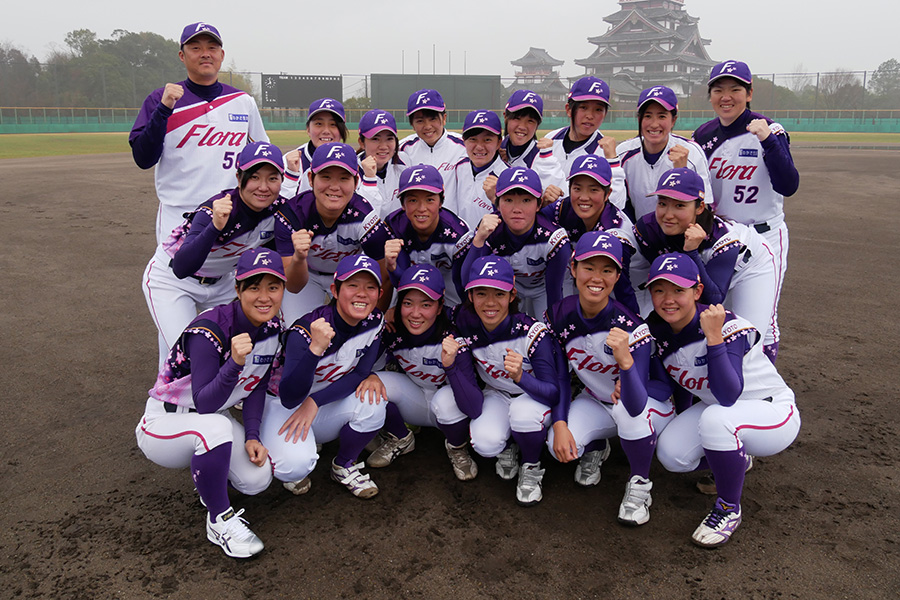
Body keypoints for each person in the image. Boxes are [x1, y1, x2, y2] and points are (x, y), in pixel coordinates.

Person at [135, 248, 313, 558]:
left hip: (207, 423)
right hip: (165, 424)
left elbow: (256, 387)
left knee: (257, 480)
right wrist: (234, 363)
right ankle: (219, 520)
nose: (264, 296)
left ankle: (205, 475)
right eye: (253, 286)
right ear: (237, 289)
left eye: (273, 287)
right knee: (215, 427)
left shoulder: (271, 328)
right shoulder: (210, 329)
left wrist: (254, 435)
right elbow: (204, 403)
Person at [645, 252, 800, 547]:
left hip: (772, 410)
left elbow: (729, 394)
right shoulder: (658, 330)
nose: (668, 299)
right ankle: (736, 457)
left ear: (697, 291)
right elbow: (664, 388)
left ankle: (729, 508)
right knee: (671, 455)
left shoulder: (726, 325)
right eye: (659, 290)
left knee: (716, 420)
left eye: (679, 290)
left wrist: (713, 338)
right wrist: (627, 382)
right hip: (723, 411)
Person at [544, 232, 675, 525]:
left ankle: (639, 484)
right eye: (589, 267)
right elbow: (562, 377)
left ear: (617, 277)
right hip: (597, 399)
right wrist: (562, 423)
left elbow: (645, 395)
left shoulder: (630, 325)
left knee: (627, 410)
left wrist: (627, 368)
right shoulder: (558, 315)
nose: (597, 277)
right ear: (573, 268)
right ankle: (596, 446)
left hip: (650, 404)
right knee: (558, 443)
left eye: (607, 270)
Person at [142, 141, 288, 367]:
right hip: (172, 281)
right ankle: (168, 400)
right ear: (239, 178)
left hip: (223, 284)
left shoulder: (279, 211)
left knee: (246, 348)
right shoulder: (215, 209)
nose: (263, 186)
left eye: (272, 178)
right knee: (192, 358)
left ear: (281, 180)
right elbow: (181, 267)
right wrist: (215, 227)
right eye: (255, 177)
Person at [693, 61, 800, 361]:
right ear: (711, 95)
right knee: (716, 313)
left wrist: (767, 140)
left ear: (749, 93)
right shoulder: (703, 136)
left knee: (763, 322)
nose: (726, 97)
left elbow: (788, 184)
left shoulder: (769, 129)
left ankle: (765, 390)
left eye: (735, 89)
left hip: (766, 235)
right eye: (718, 90)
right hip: (721, 238)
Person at [130, 22, 269, 244]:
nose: (205, 54)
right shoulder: (160, 99)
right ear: (182, 56)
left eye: (212, 48)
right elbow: (143, 159)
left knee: (231, 275)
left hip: (232, 208)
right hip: (179, 211)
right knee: (177, 274)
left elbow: (262, 156)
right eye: (195, 48)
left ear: (221, 55)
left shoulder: (243, 101)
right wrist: (164, 110)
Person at [443, 256, 562, 506]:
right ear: (470, 296)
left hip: (533, 399)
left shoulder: (532, 332)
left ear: (512, 295)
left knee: (522, 414)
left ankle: (531, 464)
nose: (489, 302)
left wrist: (521, 377)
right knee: (485, 443)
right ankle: (509, 445)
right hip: (496, 393)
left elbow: (553, 393)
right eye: (481, 293)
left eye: (499, 293)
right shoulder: (466, 327)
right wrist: (451, 365)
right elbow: (472, 407)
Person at [268, 254, 387, 498]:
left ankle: (343, 465)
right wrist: (314, 351)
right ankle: (281, 444)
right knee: (295, 465)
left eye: (370, 287)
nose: (362, 293)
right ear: (335, 289)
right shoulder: (304, 331)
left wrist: (315, 402)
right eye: (352, 285)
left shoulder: (375, 321)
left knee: (374, 403)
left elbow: (361, 373)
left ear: (380, 293)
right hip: (281, 405)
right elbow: (289, 397)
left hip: (319, 400)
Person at [634, 168, 780, 362]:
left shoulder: (722, 237)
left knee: (749, 337)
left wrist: (691, 252)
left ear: (699, 207)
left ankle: (765, 387)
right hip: (707, 275)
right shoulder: (648, 229)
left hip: (750, 267)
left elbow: (712, 299)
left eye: (679, 205)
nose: (668, 214)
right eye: (662, 203)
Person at [361, 265, 479, 480]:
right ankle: (400, 438)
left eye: (426, 304)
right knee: (369, 383)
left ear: (440, 305)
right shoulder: (392, 328)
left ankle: (457, 447)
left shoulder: (454, 331)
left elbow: (474, 406)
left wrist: (451, 366)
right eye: (408, 303)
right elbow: (360, 367)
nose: (415, 314)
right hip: (415, 397)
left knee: (445, 402)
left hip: (450, 405)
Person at [274, 142, 392, 324]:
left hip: (350, 275)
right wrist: (298, 258)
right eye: (326, 177)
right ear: (311, 179)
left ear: (356, 182)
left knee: (359, 329)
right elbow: (293, 286)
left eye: (344, 178)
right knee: (295, 328)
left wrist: (374, 324)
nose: (334, 186)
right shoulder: (292, 215)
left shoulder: (365, 217)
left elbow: (384, 277)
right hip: (308, 275)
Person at [463, 167, 571, 318]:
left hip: (544, 288)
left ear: (539, 205)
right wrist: (478, 240)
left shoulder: (554, 238)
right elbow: (466, 281)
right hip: (509, 289)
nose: (517, 209)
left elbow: (554, 291)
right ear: (497, 204)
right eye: (508, 200)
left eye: (526, 200)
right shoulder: (490, 229)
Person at [540, 154, 641, 314]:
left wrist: (634, 331)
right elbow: (532, 221)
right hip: (592, 282)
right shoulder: (565, 207)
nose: (584, 197)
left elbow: (623, 291)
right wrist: (540, 204)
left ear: (608, 194)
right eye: (577, 188)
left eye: (593, 189)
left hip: (635, 287)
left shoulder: (616, 234)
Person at [616, 86, 712, 222]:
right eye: (648, 116)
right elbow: (617, 204)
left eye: (662, 116)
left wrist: (682, 172)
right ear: (639, 119)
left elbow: (703, 208)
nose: (654, 124)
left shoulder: (691, 153)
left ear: (673, 120)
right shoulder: (623, 153)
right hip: (638, 234)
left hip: (680, 236)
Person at [383, 164, 473, 307]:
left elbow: (462, 283)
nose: (421, 208)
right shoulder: (394, 225)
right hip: (410, 294)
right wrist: (392, 267)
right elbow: (401, 280)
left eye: (429, 199)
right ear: (403, 204)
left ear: (441, 201)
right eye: (413, 200)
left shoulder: (458, 232)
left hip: (450, 294)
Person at [541, 76, 624, 209]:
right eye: (584, 107)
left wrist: (613, 161)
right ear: (569, 109)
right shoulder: (551, 139)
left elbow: (617, 204)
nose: (590, 116)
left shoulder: (605, 151)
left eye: (598, 109)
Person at [444, 110, 508, 231]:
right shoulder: (459, 167)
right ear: (464, 140)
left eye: (487, 140)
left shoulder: (507, 177)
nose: (479, 147)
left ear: (499, 142)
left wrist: (498, 201)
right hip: (459, 243)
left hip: (490, 246)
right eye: (473, 139)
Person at [500, 90, 565, 199]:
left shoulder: (543, 159)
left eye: (530, 121)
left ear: (537, 125)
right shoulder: (495, 149)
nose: (522, 126)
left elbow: (561, 197)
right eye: (517, 118)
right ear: (505, 117)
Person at [280, 98, 349, 199]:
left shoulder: (353, 161)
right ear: (308, 129)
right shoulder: (290, 162)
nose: (326, 131)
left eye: (333, 124)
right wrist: (290, 178)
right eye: (319, 124)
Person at [398, 89, 467, 188]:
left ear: (444, 119)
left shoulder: (464, 147)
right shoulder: (402, 149)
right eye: (420, 121)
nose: (427, 126)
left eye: (433, 119)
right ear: (412, 124)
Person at [355, 109, 407, 219]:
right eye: (375, 139)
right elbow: (364, 217)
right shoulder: (350, 172)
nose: (383, 146)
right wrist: (369, 178)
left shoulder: (405, 163)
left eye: (389, 139)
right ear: (361, 142)